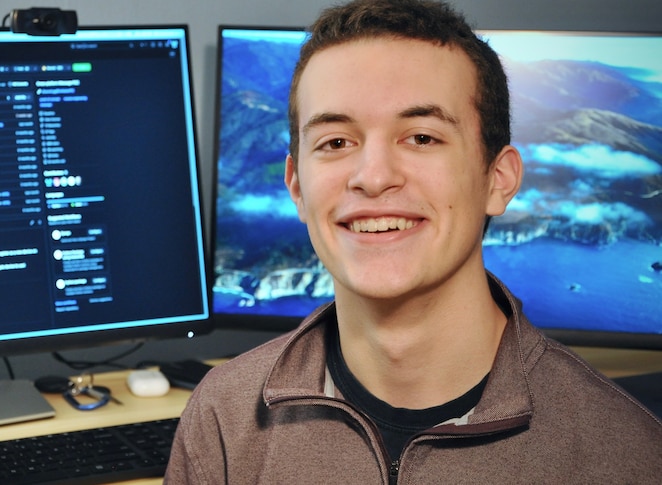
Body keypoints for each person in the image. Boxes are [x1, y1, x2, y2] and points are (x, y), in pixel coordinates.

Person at [165, 0, 662, 482]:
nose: (373, 177)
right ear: (296, 186)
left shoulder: (623, 455)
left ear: (498, 179)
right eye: (335, 142)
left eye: (422, 137)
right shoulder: (223, 419)